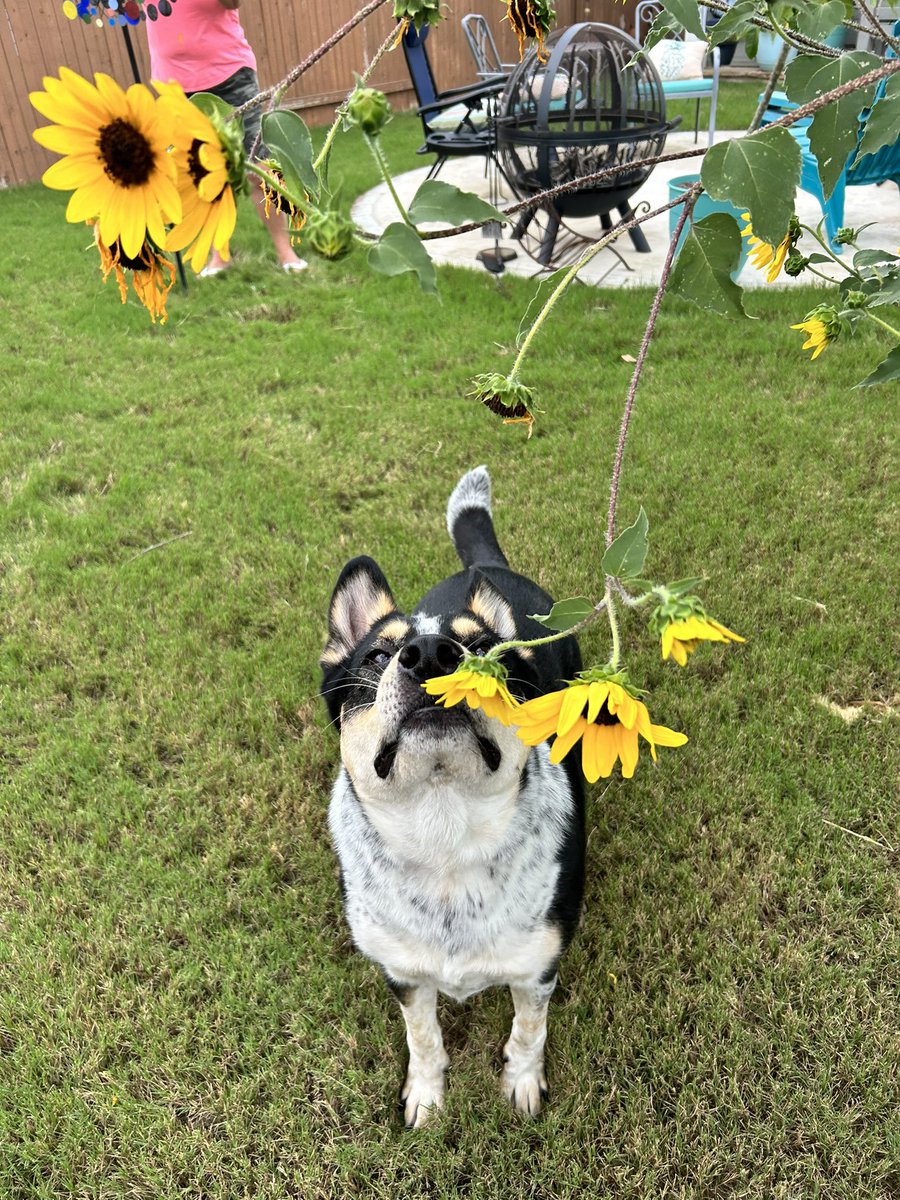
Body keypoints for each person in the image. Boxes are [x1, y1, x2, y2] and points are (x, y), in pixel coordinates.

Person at [146, 0, 307, 275]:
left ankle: (286, 252)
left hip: (228, 75)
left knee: (259, 169)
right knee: (200, 176)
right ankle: (219, 255)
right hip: (174, 86)